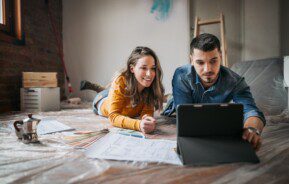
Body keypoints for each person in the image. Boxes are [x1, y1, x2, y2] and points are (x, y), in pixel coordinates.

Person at [162, 33, 265, 150]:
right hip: (176, 105)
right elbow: (186, 117)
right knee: (171, 101)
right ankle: (165, 97)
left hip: (212, 110)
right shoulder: (181, 75)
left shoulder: (235, 81)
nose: (207, 69)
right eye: (200, 62)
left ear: (220, 56)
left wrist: (252, 130)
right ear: (191, 60)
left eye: (213, 61)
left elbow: (251, 110)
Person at [81, 46, 165, 134]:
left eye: (153, 68)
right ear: (132, 69)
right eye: (144, 68)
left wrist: (147, 119)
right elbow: (113, 116)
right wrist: (138, 125)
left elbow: (146, 113)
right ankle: (96, 87)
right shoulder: (120, 81)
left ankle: (104, 88)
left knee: (110, 90)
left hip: (120, 93)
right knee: (105, 92)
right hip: (102, 100)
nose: (149, 74)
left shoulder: (150, 87)